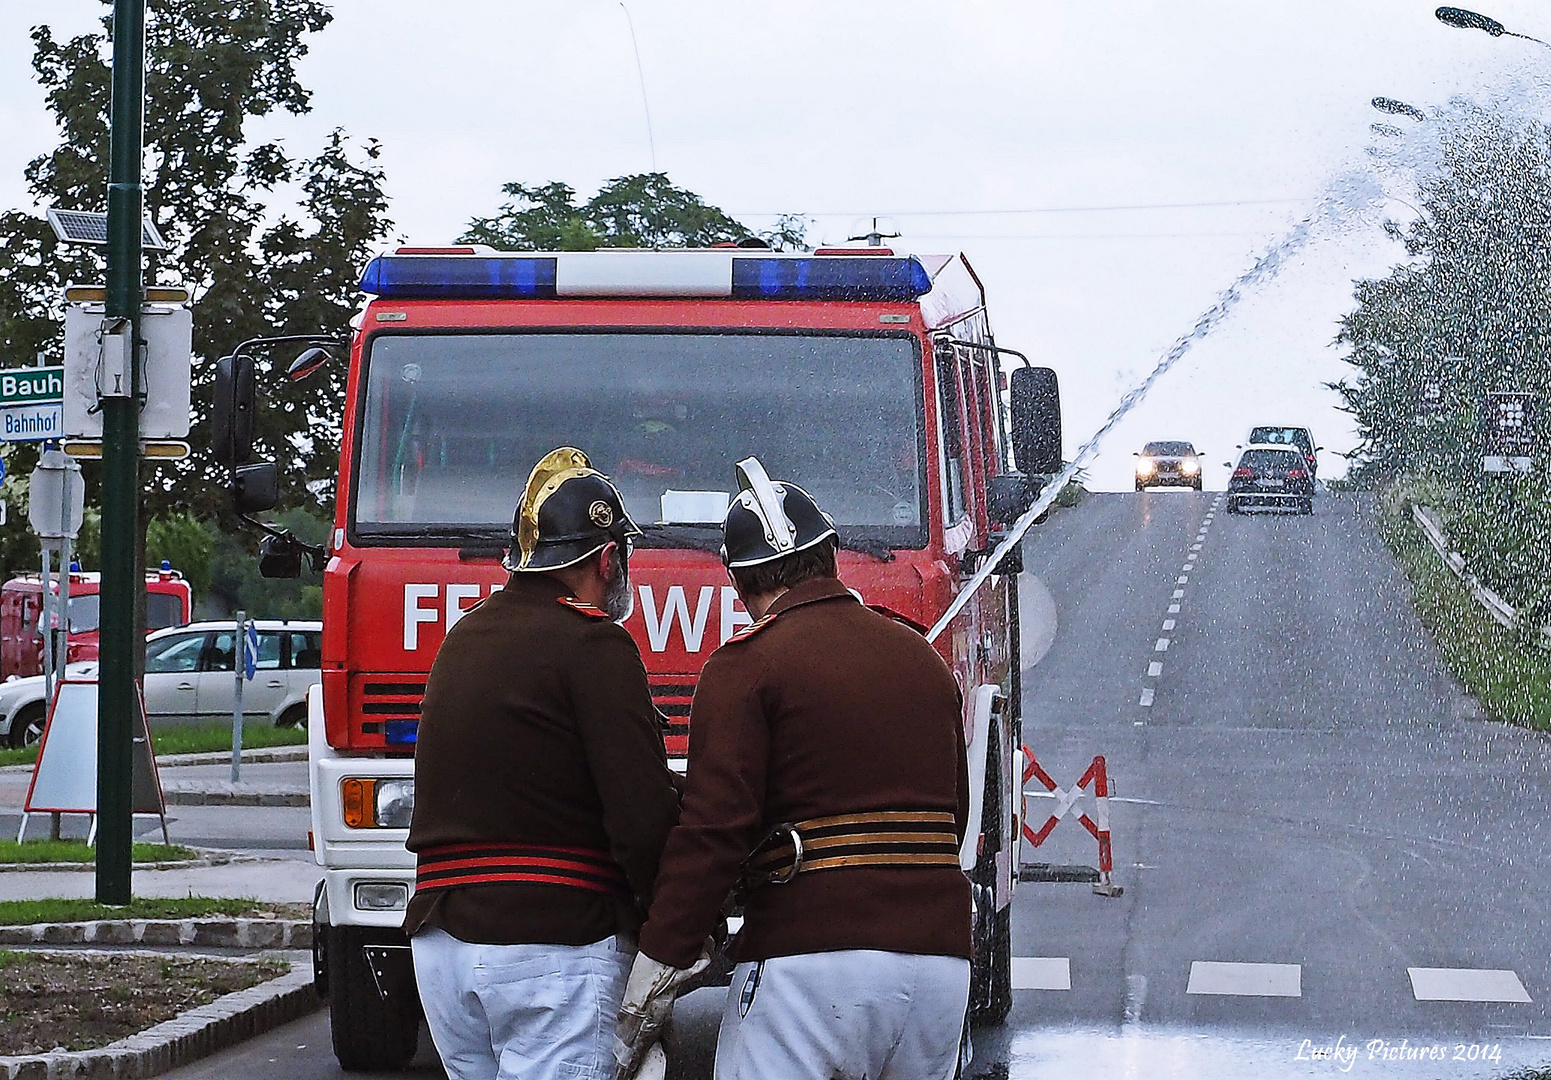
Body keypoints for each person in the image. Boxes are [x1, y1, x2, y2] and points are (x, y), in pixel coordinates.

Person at [617, 457, 974, 1080]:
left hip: (812, 961)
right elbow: (954, 815)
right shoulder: (923, 659)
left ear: (741, 581)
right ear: (831, 554)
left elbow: (714, 833)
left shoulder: (746, 667)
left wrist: (659, 962)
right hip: (940, 969)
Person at [404, 446, 680, 1080]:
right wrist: (679, 920)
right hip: (551, 942)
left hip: (442, 941)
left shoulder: (463, 636)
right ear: (609, 557)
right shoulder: (595, 643)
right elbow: (640, 820)